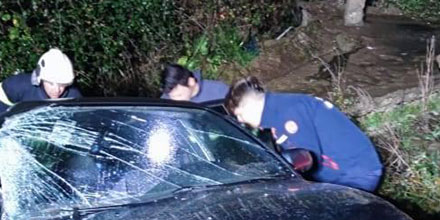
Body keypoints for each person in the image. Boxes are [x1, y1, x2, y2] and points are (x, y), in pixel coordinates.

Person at [225, 77, 382, 192]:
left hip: (353, 174)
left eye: (240, 115)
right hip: (338, 174)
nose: (241, 120)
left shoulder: (289, 113)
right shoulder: (278, 109)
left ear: (250, 105)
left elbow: (303, 161)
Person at [0, 48, 82, 114]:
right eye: (51, 83)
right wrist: (5, 117)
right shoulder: (19, 86)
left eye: (62, 85)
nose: (57, 90)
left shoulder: (73, 97)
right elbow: (1, 93)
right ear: (40, 79)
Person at [159, 63, 229, 104]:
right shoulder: (165, 100)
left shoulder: (219, 91)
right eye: (172, 97)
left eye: (179, 95)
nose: (176, 101)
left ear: (191, 82)